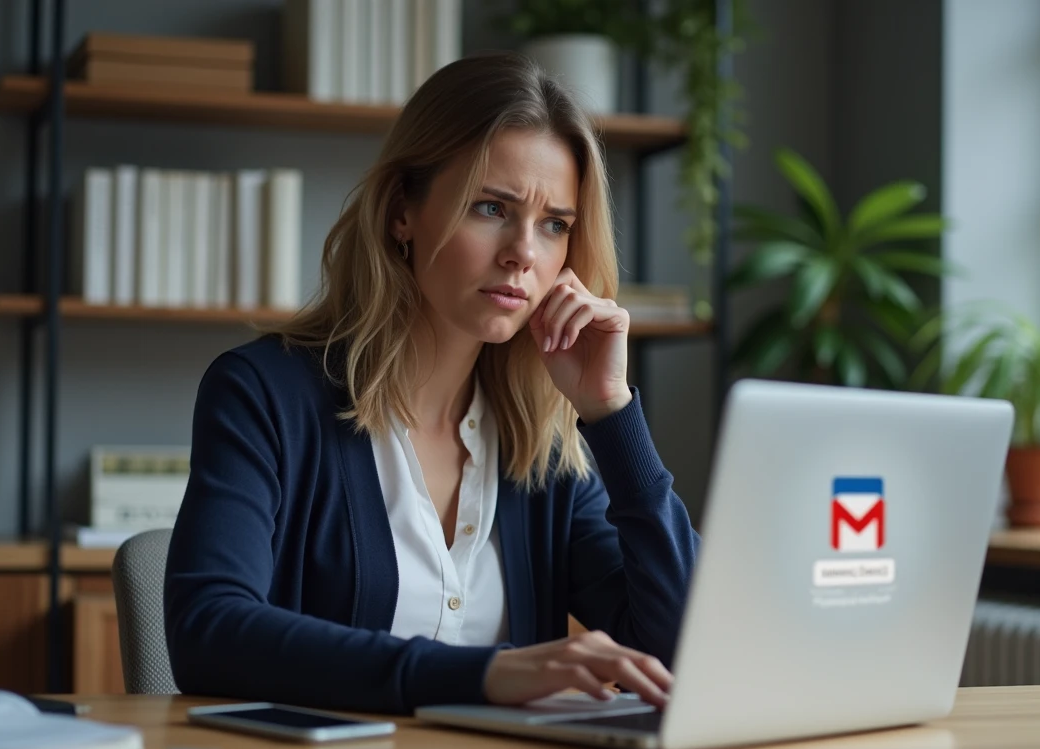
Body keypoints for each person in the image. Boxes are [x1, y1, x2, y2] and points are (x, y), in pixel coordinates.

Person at [163, 51, 700, 715]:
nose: (523, 253)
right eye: (490, 207)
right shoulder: (263, 394)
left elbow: (682, 650)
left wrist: (613, 414)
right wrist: (482, 675)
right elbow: (207, 633)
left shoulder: (545, 442)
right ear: (401, 213)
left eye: (554, 224)